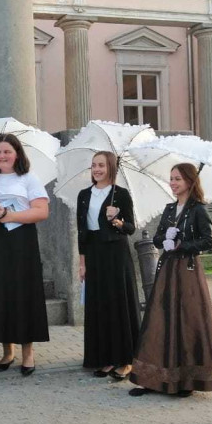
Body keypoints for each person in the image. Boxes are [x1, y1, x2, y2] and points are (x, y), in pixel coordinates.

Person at [129, 163, 212, 397]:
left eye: (178, 179)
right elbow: (156, 238)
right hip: (167, 271)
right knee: (160, 322)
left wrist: (182, 243)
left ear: (189, 182)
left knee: (186, 323)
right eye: (171, 179)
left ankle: (185, 381)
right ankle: (153, 380)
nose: (173, 183)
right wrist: (164, 239)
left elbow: (209, 241)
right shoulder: (170, 209)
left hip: (188, 272)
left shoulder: (198, 210)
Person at [0, 134, 50, 376]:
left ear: (17, 153)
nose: (2, 156)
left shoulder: (28, 178)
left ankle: (28, 352)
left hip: (21, 243)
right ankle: (8, 351)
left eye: (7, 151)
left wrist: (11, 215)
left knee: (22, 293)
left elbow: (42, 211)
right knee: (0, 294)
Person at [76, 151, 140, 381]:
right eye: (93, 165)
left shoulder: (121, 194)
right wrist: (82, 263)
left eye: (101, 165)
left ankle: (125, 360)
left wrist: (117, 220)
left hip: (115, 253)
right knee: (98, 304)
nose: (97, 169)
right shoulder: (84, 195)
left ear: (111, 167)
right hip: (94, 252)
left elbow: (131, 228)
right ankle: (103, 357)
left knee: (118, 304)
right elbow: (81, 231)